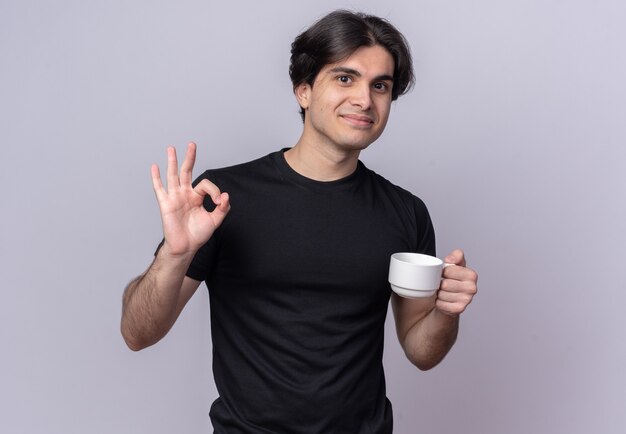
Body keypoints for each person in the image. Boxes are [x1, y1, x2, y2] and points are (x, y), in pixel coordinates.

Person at [121, 9, 478, 434]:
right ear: (304, 90)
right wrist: (175, 255)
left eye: (379, 85)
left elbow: (421, 350)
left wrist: (447, 312)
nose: (364, 99)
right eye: (345, 78)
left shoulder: (405, 212)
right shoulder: (221, 198)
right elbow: (137, 333)